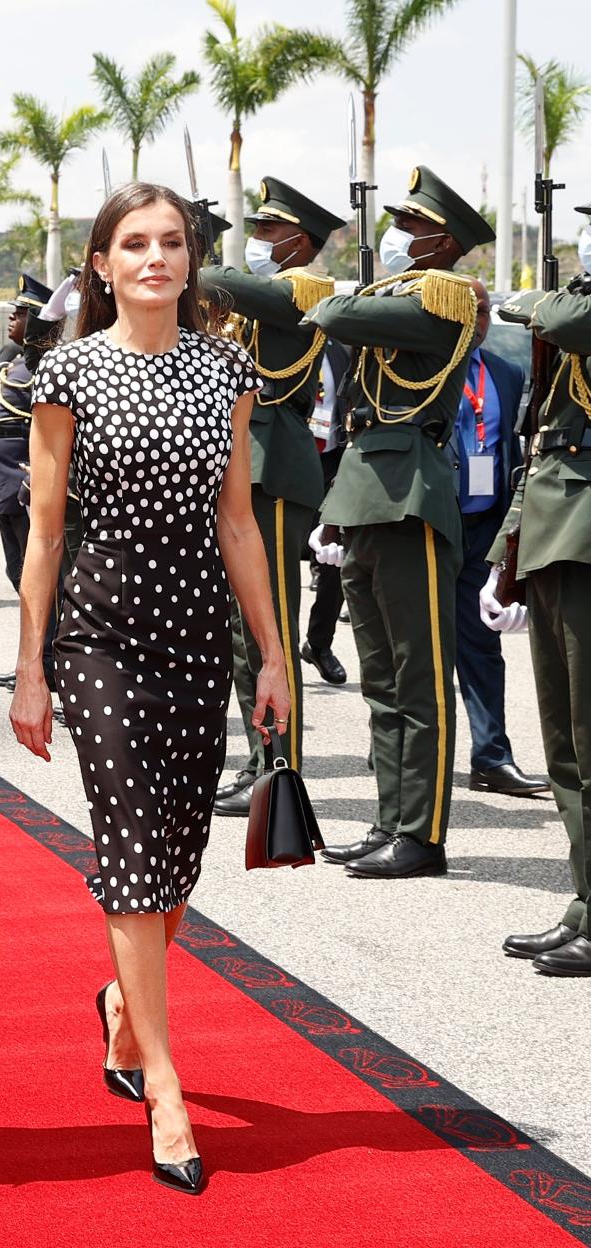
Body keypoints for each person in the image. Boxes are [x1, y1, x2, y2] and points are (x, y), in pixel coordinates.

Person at [10, 183, 288, 1195]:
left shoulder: (227, 370)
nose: (157, 258)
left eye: (173, 242)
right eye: (135, 243)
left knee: (178, 852)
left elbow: (240, 521)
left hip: (196, 636)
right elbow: (43, 531)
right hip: (99, 637)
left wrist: (271, 654)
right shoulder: (67, 371)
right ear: (102, 263)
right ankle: (164, 1082)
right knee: (130, 841)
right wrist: (32, 665)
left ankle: (124, 1008)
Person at [309, 166, 492, 879]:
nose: (399, 236)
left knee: (421, 676)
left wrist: (357, 288)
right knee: (380, 676)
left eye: (413, 226)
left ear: (442, 242)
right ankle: (391, 819)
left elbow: (330, 318)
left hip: (410, 488)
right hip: (364, 488)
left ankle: (424, 834)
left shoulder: (444, 303)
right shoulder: (399, 298)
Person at [201, 177, 346, 816]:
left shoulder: (304, 288)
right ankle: (262, 760)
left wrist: (196, 246)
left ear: (299, 242)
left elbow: (223, 284)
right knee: (241, 630)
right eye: (253, 230)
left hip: (276, 471)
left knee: (275, 626)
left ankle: (283, 767)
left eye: (266, 231)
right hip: (240, 467)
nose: (256, 240)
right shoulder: (255, 301)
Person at [487, 217, 591, 976]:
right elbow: (541, 444)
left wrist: (541, 295)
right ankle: (585, 902)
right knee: (563, 747)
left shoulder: (572, 313)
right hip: (558, 538)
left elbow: (554, 314)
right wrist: (507, 556)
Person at [450, 279, 546, 797]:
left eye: (484, 310)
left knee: (482, 649)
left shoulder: (507, 374)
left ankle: (491, 757)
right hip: (430, 527)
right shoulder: (422, 368)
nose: (478, 319)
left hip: (482, 530)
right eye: (468, 309)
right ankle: (400, 751)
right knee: (418, 652)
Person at [0, 274, 52, 592]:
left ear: (34, 320)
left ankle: (46, 635)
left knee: (28, 555)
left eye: (18, 314)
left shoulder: (43, 364)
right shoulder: (15, 359)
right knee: (14, 560)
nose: (11, 319)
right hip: (0, 468)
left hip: (18, 466)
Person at [300, 336, 352, 685]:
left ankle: (319, 643)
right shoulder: (283, 342)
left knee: (336, 560)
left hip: (332, 462)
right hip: (291, 461)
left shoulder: (339, 349)